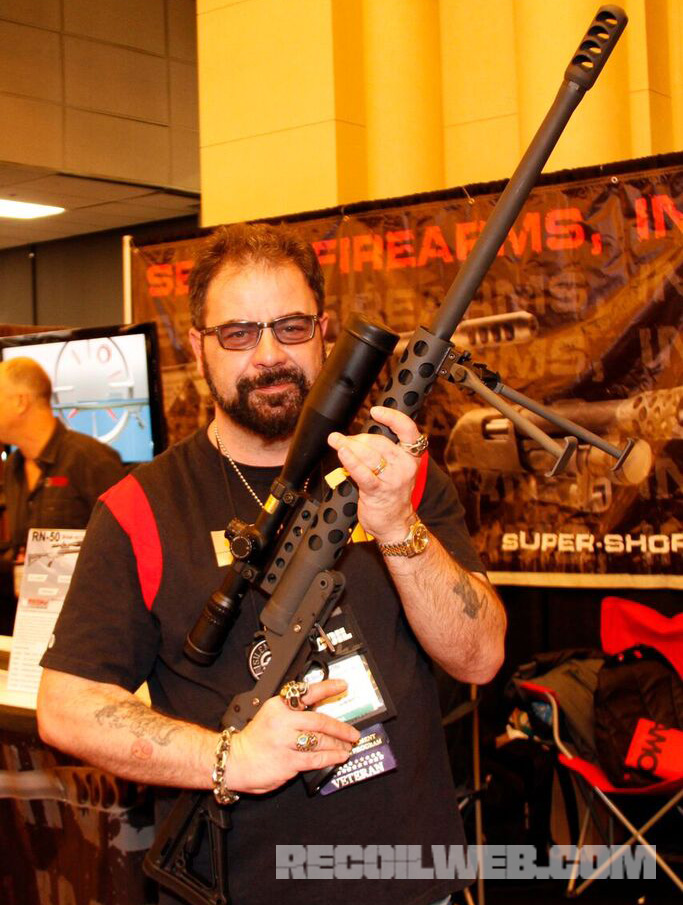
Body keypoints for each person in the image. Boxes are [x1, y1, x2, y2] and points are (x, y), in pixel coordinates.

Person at [37, 223, 506, 905]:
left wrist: (397, 526)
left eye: (290, 327)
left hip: (411, 881)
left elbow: (480, 658)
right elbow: (67, 707)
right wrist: (228, 758)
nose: (268, 355)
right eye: (237, 333)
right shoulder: (140, 507)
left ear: (325, 333)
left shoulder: (395, 474)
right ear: (197, 345)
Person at [0, 357, 125, 631]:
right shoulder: (13, 468)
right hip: (31, 622)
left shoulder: (90, 459)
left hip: (86, 625)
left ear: (20, 402)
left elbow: (127, 550)